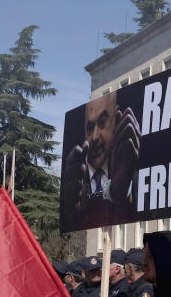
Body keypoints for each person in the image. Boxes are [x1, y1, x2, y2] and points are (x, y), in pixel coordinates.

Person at [60, 92, 142, 229]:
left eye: (102, 122)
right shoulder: (73, 184)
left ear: (116, 120)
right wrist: (70, 212)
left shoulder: (137, 183)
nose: (95, 137)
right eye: (90, 128)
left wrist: (122, 193)